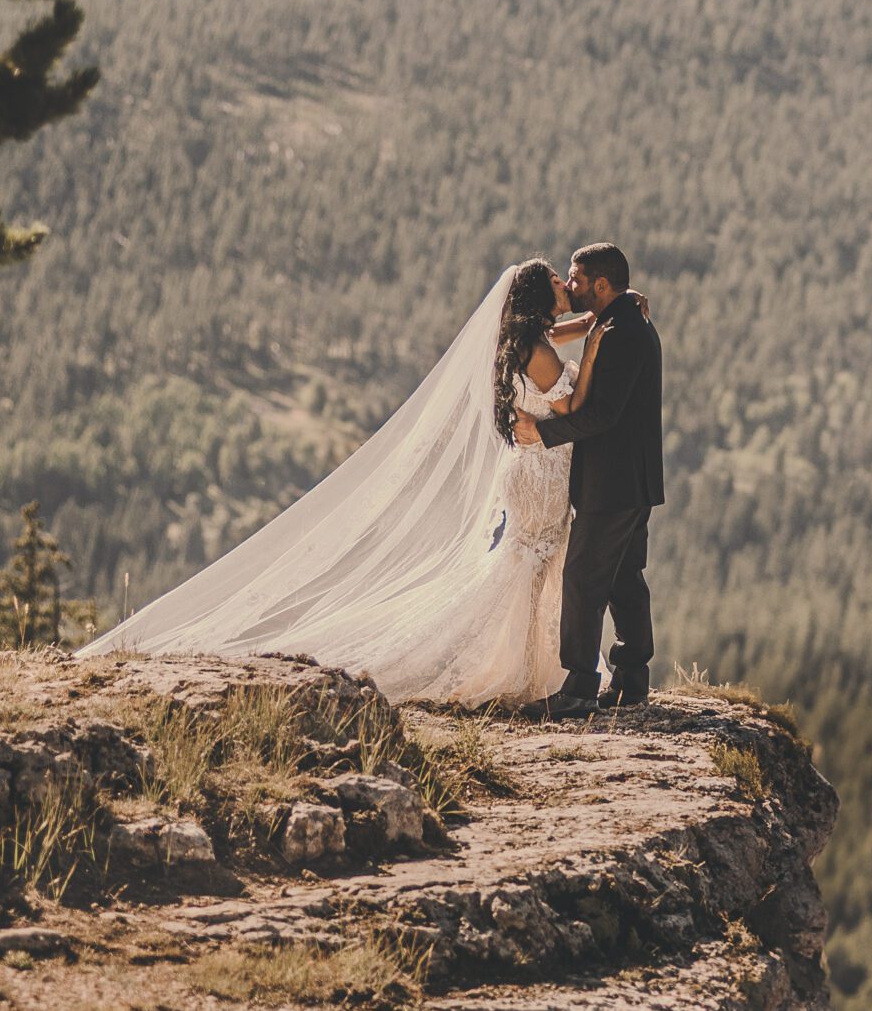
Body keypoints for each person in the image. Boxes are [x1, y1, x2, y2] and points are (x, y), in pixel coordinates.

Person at [79, 255, 652, 709]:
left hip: (529, 473)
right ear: (539, 296)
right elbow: (575, 401)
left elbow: (560, 332)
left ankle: (540, 669)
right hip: (541, 471)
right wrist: (599, 342)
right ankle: (529, 671)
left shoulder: (524, 340)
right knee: (537, 568)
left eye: (571, 277)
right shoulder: (544, 352)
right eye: (558, 279)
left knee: (531, 569)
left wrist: (600, 321)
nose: (566, 283)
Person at [513, 242, 666, 715]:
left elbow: (601, 415)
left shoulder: (620, 330)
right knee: (623, 579)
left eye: (577, 280)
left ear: (601, 284)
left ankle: (579, 687)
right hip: (629, 479)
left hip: (614, 481)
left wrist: (541, 432)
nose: (570, 286)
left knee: (583, 576)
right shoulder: (617, 319)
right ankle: (630, 680)